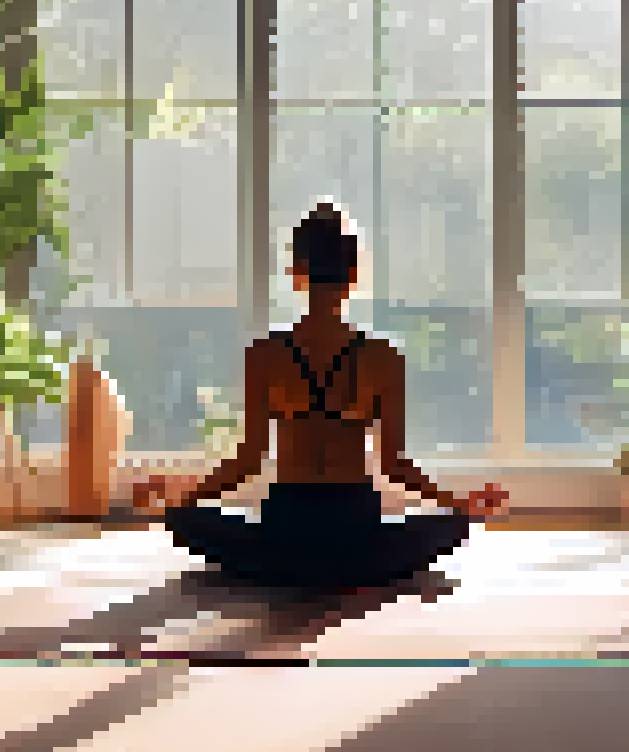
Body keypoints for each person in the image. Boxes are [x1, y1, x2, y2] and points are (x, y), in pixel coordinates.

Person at [162, 202, 504, 589]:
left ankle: (282, 566)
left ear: (296, 275)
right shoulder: (383, 356)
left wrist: (182, 496)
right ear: (354, 276)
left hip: (284, 535)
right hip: (357, 535)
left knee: (187, 521)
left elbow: (248, 462)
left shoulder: (265, 354)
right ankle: (354, 566)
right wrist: (457, 500)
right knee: (453, 524)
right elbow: (394, 466)